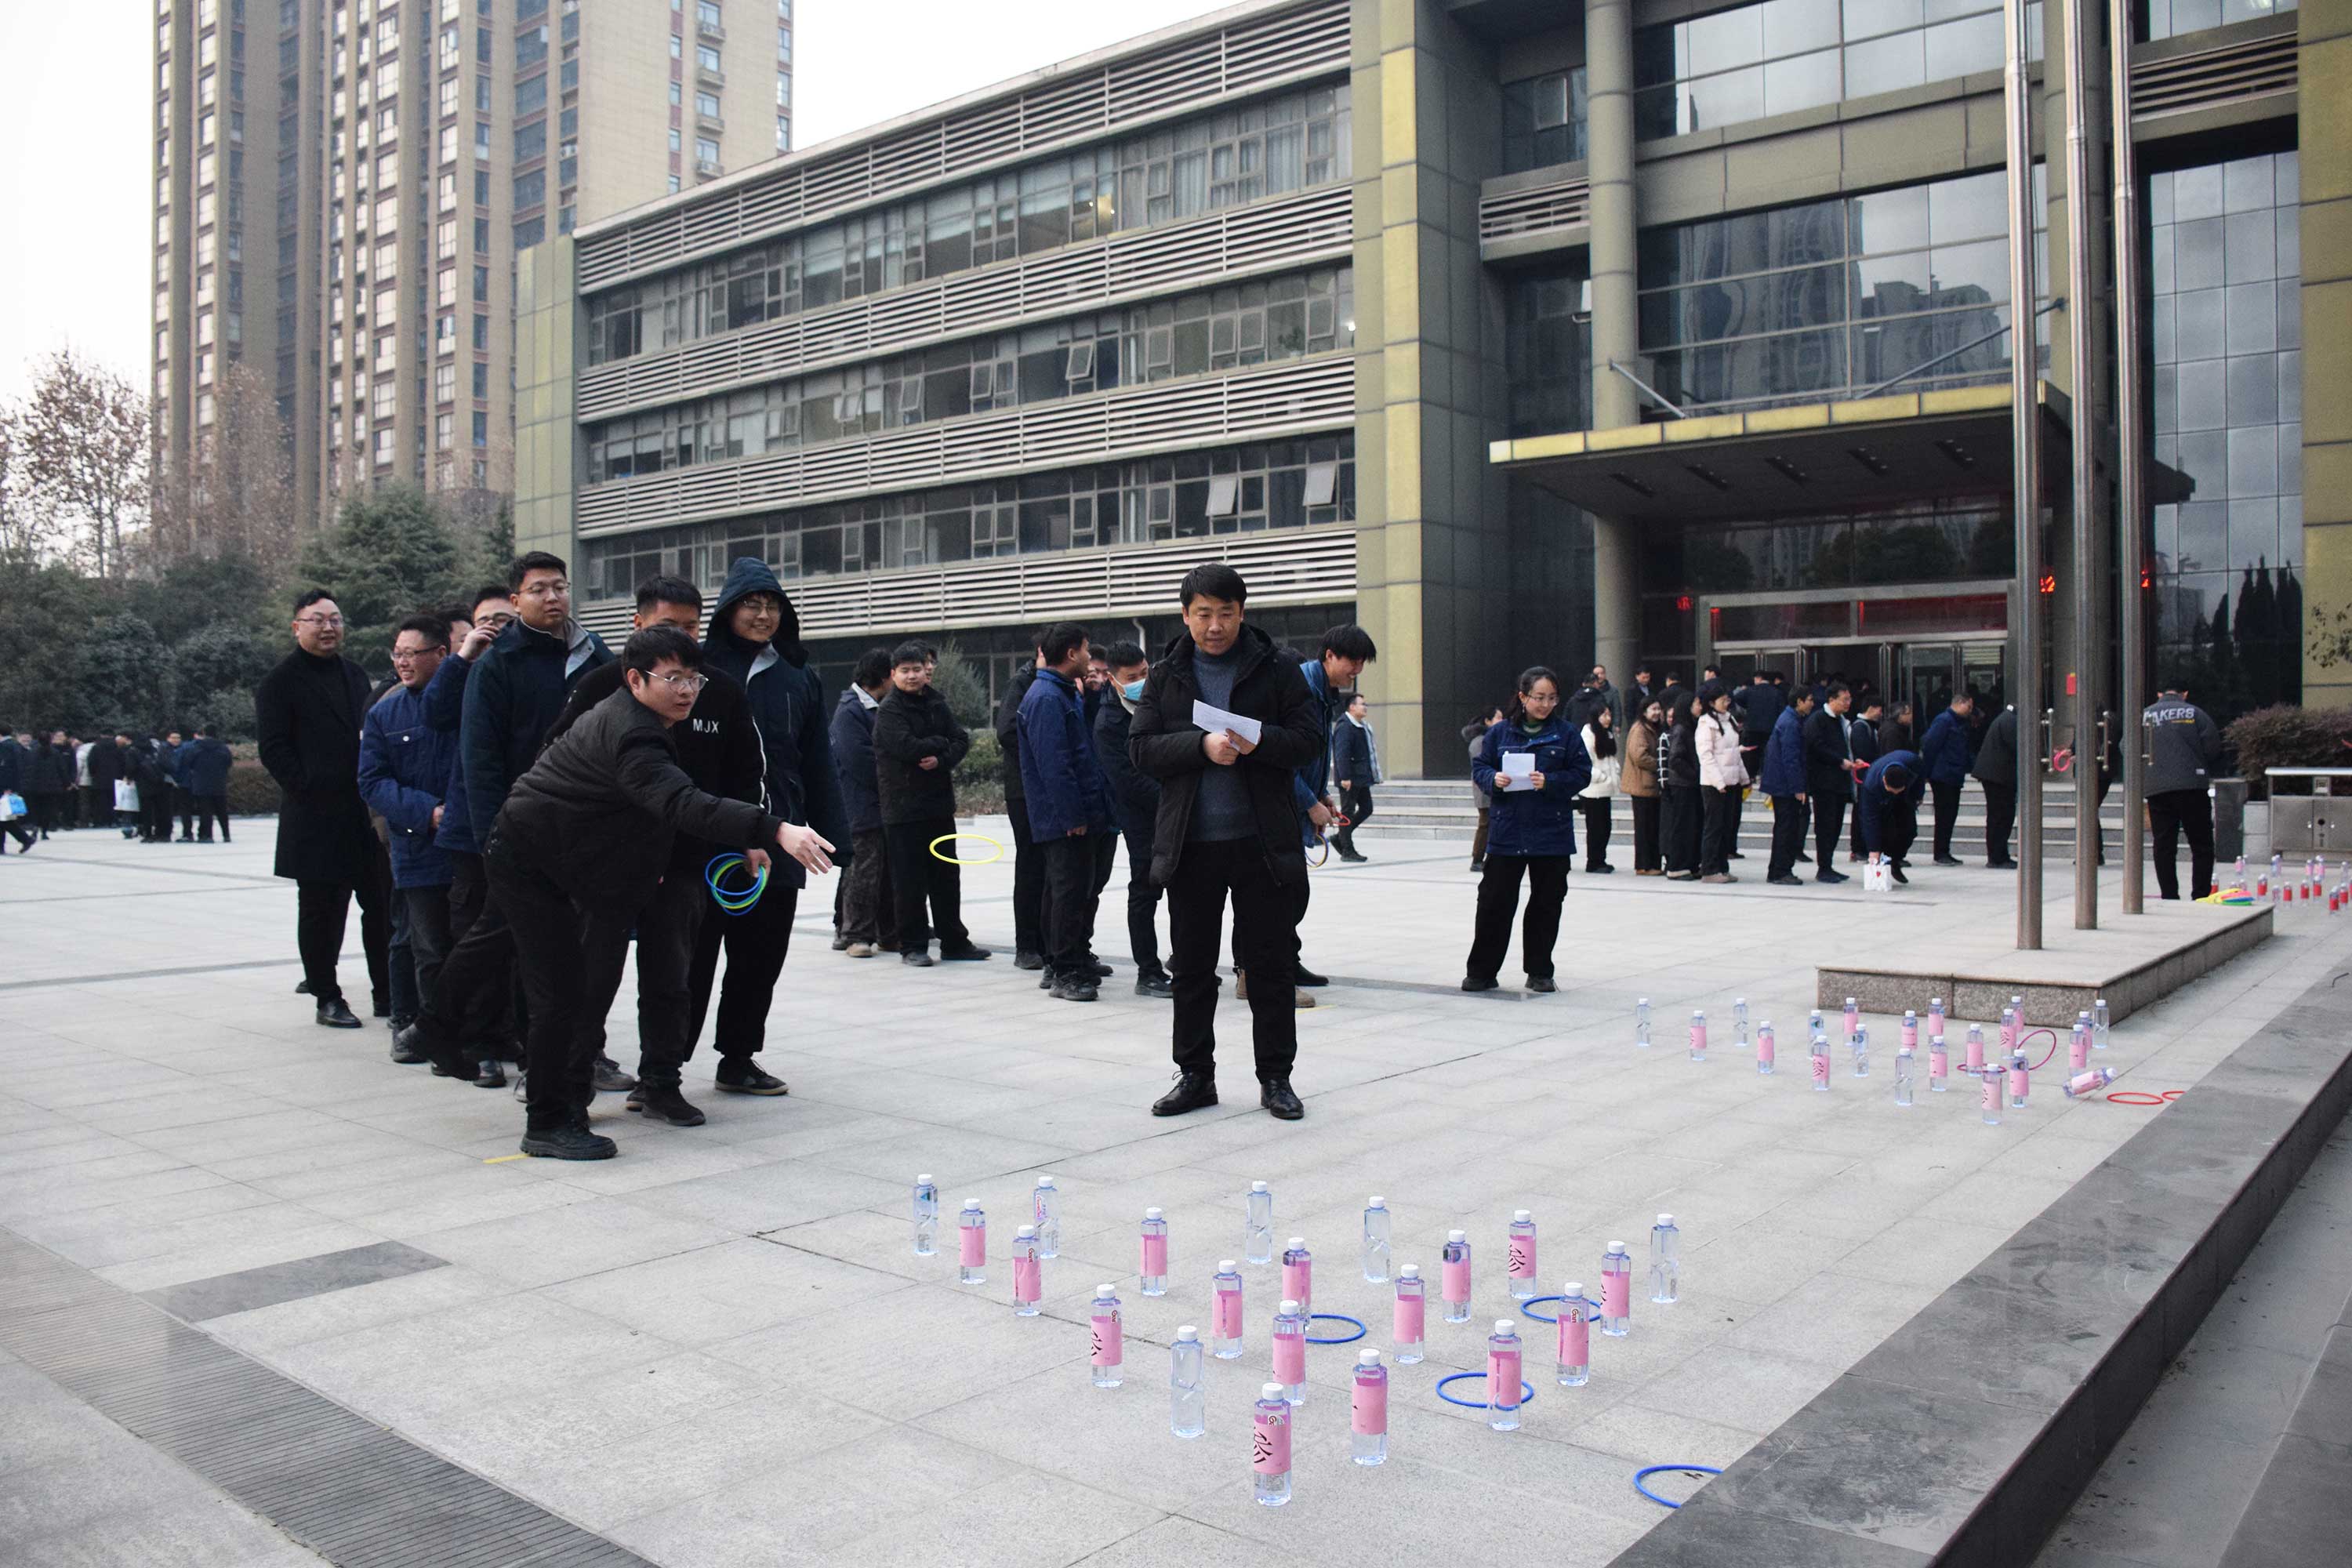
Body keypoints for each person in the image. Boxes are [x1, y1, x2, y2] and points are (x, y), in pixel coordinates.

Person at [417, 626, 833, 1160]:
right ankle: (548, 1121)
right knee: (561, 992)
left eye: (693, 678)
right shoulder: (635, 734)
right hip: (534, 858)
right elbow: (682, 802)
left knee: (497, 947)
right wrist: (775, 829)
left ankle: (435, 1029)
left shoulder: (639, 718)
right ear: (635, 680)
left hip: (548, 849)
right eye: (673, 678)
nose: (687, 690)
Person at [539, 577, 766, 1123]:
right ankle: (571, 1084)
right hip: (608, 863)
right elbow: (558, 757)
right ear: (638, 625)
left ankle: (660, 1082)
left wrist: (752, 836)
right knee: (591, 978)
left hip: (683, 858)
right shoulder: (604, 687)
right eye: (669, 626)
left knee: (672, 978)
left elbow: (744, 771)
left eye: (691, 627)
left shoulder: (719, 690)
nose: (683, 638)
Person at [1130, 563, 1323, 1122]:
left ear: (1242, 613)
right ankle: (1195, 1076)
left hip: (1261, 842)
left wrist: (1256, 743)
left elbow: (1308, 740)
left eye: (1225, 614)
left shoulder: (1277, 668)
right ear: (1185, 616)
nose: (1214, 626)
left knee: (1270, 966)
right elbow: (1140, 748)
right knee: (1192, 967)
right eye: (1203, 614)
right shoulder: (1167, 674)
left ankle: (1276, 1078)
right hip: (1192, 845)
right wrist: (1200, 747)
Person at [687, 559, 847, 1094]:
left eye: (772, 605)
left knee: (759, 959)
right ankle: (663, 1069)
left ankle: (738, 1058)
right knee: (691, 959)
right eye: (751, 605)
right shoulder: (700, 669)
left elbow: (817, 761)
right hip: (707, 835)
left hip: (780, 836)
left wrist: (838, 837)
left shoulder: (798, 676)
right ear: (728, 611)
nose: (763, 615)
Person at [456, 554, 615, 1089]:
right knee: (530, 953)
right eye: (539, 589)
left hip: (587, 833)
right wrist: (492, 838)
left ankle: (582, 1053)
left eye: (560, 587)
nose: (552, 598)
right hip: (522, 832)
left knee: (582, 953)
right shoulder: (498, 664)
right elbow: (480, 760)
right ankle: (522, 1058)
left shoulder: (594, 654)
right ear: (516, 599)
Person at [254, 589, 393, 1027]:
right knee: (322, 913)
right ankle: (326, 996)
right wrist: (309, 787)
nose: (329, 627)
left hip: (362, 814)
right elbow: (273, 749)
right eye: (318, 619)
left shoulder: (355, 675)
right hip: (314, 816)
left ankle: (388, 992)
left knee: (381, 907)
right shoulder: (280, 681)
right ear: (297, 627)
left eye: (335, 619)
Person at [419, 584, 518, 1085]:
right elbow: (433, 713)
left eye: (505, 618)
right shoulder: (468, 669)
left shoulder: (527, 664)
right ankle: (470, 1040)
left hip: (526, 824)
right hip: (470, 831)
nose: (497, 627)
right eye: (487, 620)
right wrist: (464, 656)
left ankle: (505, 1032)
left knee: (517, 940)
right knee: (474, 937)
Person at [358, 615, 459, 1059]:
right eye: (397, 654)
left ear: (441, 653)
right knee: (428, 947)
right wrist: (426, 812)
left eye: (411, 653)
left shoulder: (466, 700)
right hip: (417, 846)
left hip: (468, 843)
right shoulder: (385, 712)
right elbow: (372, 781)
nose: (402, 662)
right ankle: (429, 1031)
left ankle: (479, 1032)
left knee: (474, 943)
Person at [1464, 667, 1593, 992]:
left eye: (1552, 698)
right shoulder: (1500, 733)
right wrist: (1493, 779)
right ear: (1523, 697)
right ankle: (1481, 972)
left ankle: (1539, 971)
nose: (1546, 705)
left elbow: (1582, 774)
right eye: (1539, 698)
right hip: (1508, 831)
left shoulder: (1566, 734)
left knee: (1547, 904)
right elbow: (1481, 767)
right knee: (1494, 903)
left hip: (1551, 832)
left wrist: (1551, 781)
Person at [1265, 625, 1376, 997]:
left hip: (1296, 802)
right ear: (1329, 655)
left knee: (1292, 893)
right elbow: (1278, 760)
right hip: (1276, 806)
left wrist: (1321, 794)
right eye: (1352, 662)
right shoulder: (1296, 688)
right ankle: (1263, 972)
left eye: (1361, 663)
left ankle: (1285, 962)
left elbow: (1311, 754)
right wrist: (1308, 802)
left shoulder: (1324, 694)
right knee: (1281, 893)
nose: (1356, 671)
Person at [1019, 622, 1120, 1002]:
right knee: (1067, 893)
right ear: (1072, 653)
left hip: (1079, 813)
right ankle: (1064, 971)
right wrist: (1071, 816)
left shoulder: (1063, 692)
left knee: (1075, 891)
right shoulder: (1047, 698)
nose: (1090, 657)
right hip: (1063, 819)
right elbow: (1054, 765)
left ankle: (1072, 959)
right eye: (1086, 649)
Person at [874, 641, 988, 966]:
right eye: (905, 670)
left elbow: (960, 739)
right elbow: (906, 747)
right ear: (893, 674)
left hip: (938, 806)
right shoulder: (890, 710)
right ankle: (913, 946)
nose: (912, 676)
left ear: (927, 671)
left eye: (917, 669)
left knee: (946, 878)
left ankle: (954, 941)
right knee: (909, 881)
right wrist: (939, 743)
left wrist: (941, 758)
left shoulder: (937, 702)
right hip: (903, 809)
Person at [1096, 641, 1172, 998]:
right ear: (1113, 680)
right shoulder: (1108, 723)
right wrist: (1170, 797)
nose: (1142, 681)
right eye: (1132, 678)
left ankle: (1185, 961)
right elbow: (1125, 779)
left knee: (1186, 889)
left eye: (1145, 672)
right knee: (1145, 891)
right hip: (1140, 818)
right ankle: (1148, 971)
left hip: (1174, 812)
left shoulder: (1160, 701)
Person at [829, 646, 898, 958]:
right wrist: (895, 769)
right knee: (863, 872)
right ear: (884, 677)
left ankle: (887, 933)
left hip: (881, 806)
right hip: (861, 806)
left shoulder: (874, 707)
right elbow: (860, 761)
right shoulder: (850, 711)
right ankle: (855, 935)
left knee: (883, 873)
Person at [993, 641, 1049, 970]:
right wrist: (1041, 754)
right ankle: (1026, 945)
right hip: (1024, 789)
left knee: (1054, 870)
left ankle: (1052, 943)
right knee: (1031, 866)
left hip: (1051, 789)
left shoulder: (1066, 683)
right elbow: (1007, 731)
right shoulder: (1023, 683)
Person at [2143, 682, 2226, 900]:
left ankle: (2169, 894)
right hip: (2192, 785)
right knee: (2201, 844)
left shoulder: (2144, 716)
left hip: (2157, 787)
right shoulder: (2196, 714)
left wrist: (2149, 769)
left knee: (2164, 844)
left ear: (2159, 694)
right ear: (2185, 694)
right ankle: (2200, 894)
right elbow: (2212, 747)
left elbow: (2126, 747)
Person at [1804, 682, 1860, 884]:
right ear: (1831, 700)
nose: (1848, 703)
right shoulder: (1818, 719)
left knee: (1836, 825)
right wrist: (1839, 761)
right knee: (1826, 825)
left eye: (1849, 699)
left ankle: (1828, 866)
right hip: (1824, 783)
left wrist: (1852, 760)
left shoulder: (1842, 721)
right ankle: (1824, 867)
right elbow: (1816, 746)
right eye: (1844, 699)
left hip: (1840, 782)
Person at [1760, 684, 1817, 885]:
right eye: (1809, 700)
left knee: (1786, 827)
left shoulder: (1791, 719)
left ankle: (1779, 869)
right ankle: (1781, 871)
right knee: (1787, 828)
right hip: (1784, 786)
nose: (1812, 703)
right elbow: (1790, 758)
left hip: (1783, 784)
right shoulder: (1790, 723)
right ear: (1799, 702)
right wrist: (1798, 788)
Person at [1696, 680, 1751, 883]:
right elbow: (1706, 756)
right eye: (1723, 700)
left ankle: (1722, 867)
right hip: (1714, 785)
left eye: (1728, 700)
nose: (1727, 703)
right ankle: (1709, 869)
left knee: (1727, 827)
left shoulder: (1730, 720)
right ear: (1712, 702)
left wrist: (1744, 778)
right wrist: (1719, 782)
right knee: (1714, 827)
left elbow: (1734, 753)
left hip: (1732, 782)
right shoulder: (1706, 724)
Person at [1917, 692, 1977, 867]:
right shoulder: (1944, 721)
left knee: (1950, 815)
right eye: (1969, 707)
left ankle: (1944, 850)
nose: (1970, 710)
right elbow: (1930, 745)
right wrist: (1926, 772)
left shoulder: (1958, 723)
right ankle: (1940, 852)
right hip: (1943, 775)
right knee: (1944, 815)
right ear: (1960, 703)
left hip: (1953, 774)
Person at [1856, 751, 1924, 883]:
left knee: (1910, 831)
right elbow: (1870, 820)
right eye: (1892, 790)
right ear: (1884, 780)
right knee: (1886, 831)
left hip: (1905, 797)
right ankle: (1885, 862)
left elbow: (1921, 776)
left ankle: (1895, 860)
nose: (1895, 793)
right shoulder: (1871, 784)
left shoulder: (1913, 762)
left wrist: (1918, 795)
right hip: (1881, 800)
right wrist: (1873, 850)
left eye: (1898, 790)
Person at [1330, 692, 1380, 862]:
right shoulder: (1345, 726)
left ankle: (1340, 838)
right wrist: (1345, 776)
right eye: (1362, 704)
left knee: (1367, 808)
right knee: (1347, 813)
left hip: (1361, 777)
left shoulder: (1361, 726)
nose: (1365, 707)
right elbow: (1341, 753)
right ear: (1352, 707)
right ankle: (1347, 850)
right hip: (1349, 779)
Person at [1661, 688, 1702, 880]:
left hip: (1690, 785)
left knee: (1692, 826)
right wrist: (1694, 775)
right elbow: (1675, 759)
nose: (1699, 707)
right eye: (1696, 704)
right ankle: (1676, 866)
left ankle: (1690, 864)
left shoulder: (1691, 727)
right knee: (1682, 826)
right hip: (1682, 785)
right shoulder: (1680, 730)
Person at [1973, 705, 2020, 869]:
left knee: (1999, 816)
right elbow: (2017, 746)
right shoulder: (2010, 721)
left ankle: (1999, 855)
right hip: (1998, 777)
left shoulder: (2006, 718)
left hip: (1997, 776)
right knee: (2000, 817)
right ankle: (1997, 856)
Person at [1575, 700, 1620, 874]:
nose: (1608, 718)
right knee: (1595, 828)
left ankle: (1601, 859)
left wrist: (1615, 771)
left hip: (1606, 789)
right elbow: (1585, 762)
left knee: (1606, 826)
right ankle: (1593, 861)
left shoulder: (1606, 734)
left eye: (1609, 714)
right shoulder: (1588, 735)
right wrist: (1601, 777)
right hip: (1593, 789)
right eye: (1604, 715)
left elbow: (1611, 758)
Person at [1623, 695, 1665, 875]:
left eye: (1658, 709)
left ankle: (1653, 864)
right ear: (1644, 711)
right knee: (1644, 828)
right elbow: (1639, 756)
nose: (1656, 713)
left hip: (1651, 786)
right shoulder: (1639, 729)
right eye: (1653, 709)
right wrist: (1661, 764)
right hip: (1642, 785)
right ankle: (1644, 865)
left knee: (1653, 826)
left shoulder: (1653, 728)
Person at [1464, 707, 1503, 871]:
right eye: (1498, 718)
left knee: (1490, 823)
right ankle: (1477, 859)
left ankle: (1487, 857)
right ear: (1488, 721)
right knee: (1485, 823)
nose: (1502, 721)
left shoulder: (1491, 738)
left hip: (1492, 786)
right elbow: (1482, 767)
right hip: (1484, 789)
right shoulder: (1480, 741)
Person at [1846, 695, 1884, 863]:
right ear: (1871, 708)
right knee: (1861, 812)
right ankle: (1858, 848)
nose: (1881, 714)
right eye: (1879, 710)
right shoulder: (1861, 728)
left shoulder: (1870, 727)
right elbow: (1863, 753)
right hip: (1863, 777)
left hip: (1868, 776)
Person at [27, 731, 74, 840]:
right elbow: (61, 770)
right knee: (48, 809)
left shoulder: (32, 752)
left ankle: (35, 826)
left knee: (36, 808)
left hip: (35, 785)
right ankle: (44, 831)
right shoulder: (55, 753)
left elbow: (28, 769)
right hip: (52, 786)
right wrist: (67, 783)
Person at [0, 730, 31, 853]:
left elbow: (6, 769)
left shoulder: (5, 746)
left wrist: (6, 787)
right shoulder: (15, 745)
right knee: (3, 818)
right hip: (11, 785)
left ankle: (25, 839)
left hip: (4, 786)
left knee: (3, 818)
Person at [82, 731, 116, 832]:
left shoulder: (96, 748)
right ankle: (112, 821)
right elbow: (122, 762)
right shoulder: (116, 748)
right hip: (114, 779)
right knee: (112, 801)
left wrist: (93, 774)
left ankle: (99, 821)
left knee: (99, 802)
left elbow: (91, 763)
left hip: (99, 779)